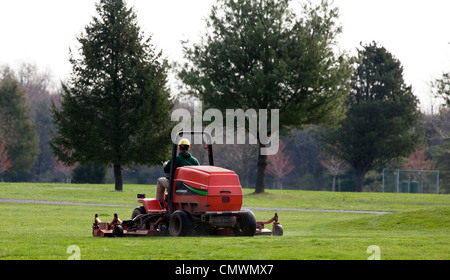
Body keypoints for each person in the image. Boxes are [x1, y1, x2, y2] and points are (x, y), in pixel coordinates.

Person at [156, 138, 200, 205]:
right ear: (189, 148)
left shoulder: (176, 159)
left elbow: (166, 169)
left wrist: (165, 164)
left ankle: (159, 203)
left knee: (160, 181)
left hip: (177, 184)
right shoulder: (194, 160)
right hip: (190, 186)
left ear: (179, 148)